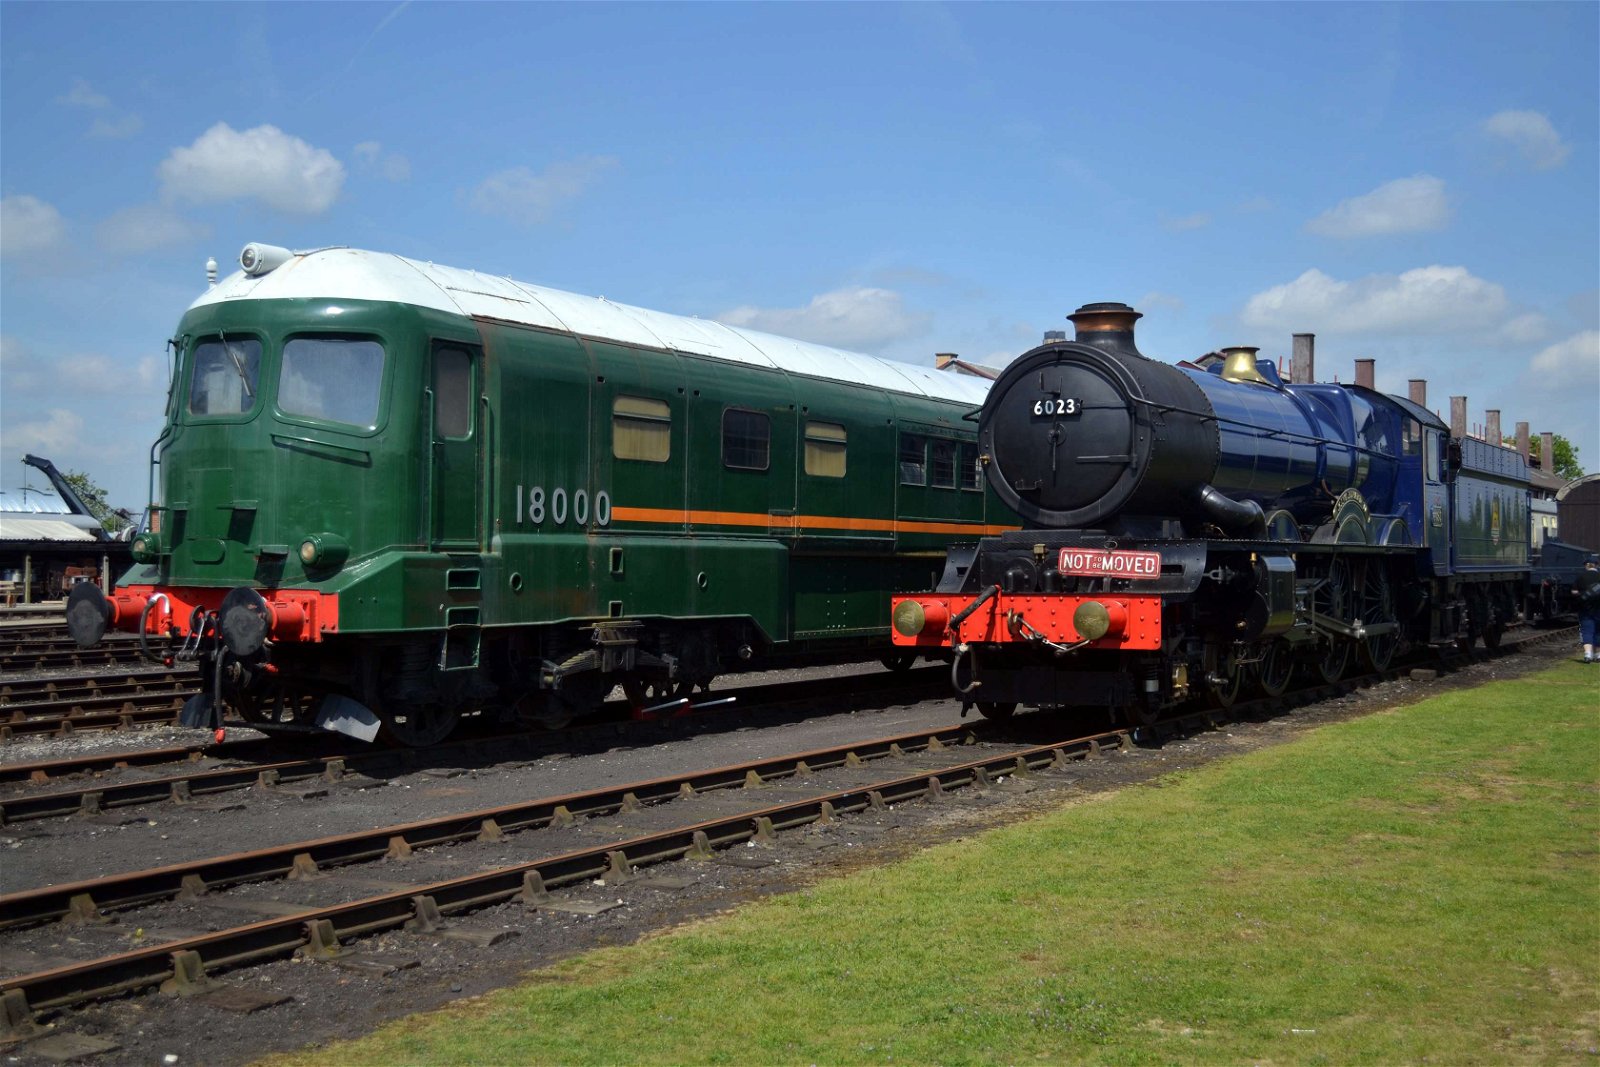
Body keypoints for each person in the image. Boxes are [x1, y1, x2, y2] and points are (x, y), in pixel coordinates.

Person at [1576, 557, 1600, 663]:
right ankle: (1598, 655)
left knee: (1587, 631)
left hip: (1585, 608)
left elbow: (1574, 592)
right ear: (1597, 565)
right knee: (1598, 631)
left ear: (1586, 565)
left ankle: (1588, 654)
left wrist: (1583, 595)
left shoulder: (1581, 577)